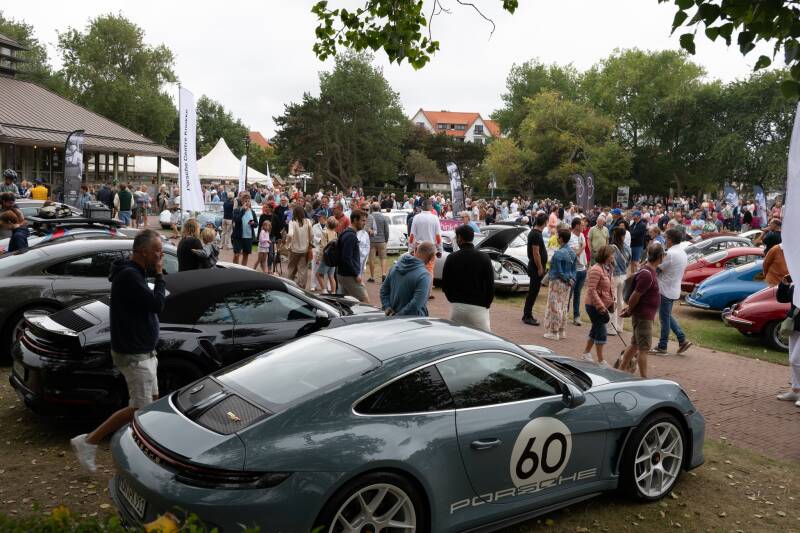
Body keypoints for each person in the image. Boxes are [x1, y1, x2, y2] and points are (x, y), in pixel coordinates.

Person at [70, 230, 165, 473]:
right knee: (140, 408)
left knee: (152, 402)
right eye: (157, 250)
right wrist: (159, 275)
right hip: (134, 354)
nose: (161, 254)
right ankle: (89, 441)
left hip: (145, 351)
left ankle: (146, 451)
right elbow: (157, 304)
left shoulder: (135, 273)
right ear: (143, 252)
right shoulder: (130, 275)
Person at [618, 243, 665, 378]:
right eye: (664, 255)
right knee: (644, 349)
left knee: (634, 345)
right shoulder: (647, 274)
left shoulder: (648, 270)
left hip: (643, 315)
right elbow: (635, 296)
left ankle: (621, 370)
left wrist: (630, 310)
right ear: (660, 256)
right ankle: (644, 378)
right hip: (643, 316)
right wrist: (629, 311)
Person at [441, 224, 494, 331]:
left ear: (460, 238)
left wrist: (453, 300)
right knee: (482, 338)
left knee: (458, 337)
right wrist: (486, 304)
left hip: (458, 307)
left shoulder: (452, 257)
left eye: (456, 237)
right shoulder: (484, 257)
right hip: (479, 307)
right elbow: (490, 285)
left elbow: (445, 284)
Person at [651, 228, 692, 355]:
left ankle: (662, 346)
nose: (664, 240)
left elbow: (656, 268)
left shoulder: (670, 254)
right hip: (673, 289)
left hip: (665, 289)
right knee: (667, 315)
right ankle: (682, 339)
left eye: (666, 238)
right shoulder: (682, 252)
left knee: (664, 319)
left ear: (670, 240)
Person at [380, 241, 436, 317]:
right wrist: (398, 316)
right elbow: (416, 304)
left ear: (415, 250)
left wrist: (387, 307)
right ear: (432, 257)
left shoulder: (394, 267)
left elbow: (383, 290)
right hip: (414, 320)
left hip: (392, 317)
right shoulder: (424, 276)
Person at [582, 245, 616, 366]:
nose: (613, 256)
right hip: (594, 306)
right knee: (601, 331)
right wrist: (601, 306)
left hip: (603, 306)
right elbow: (592, 290)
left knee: (596, 329)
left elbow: (610, 287)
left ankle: (586, 353)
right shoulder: (596, 269)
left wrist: (612, 301)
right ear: (605, 255)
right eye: (612, 254)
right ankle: (601, 360)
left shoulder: (608, 268)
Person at [543, 228, 577, 341]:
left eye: (558, 237)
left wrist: (566, 278)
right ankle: (562, 330)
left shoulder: (558, 253)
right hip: (568, 283)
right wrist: (571, 279)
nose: (557, 238)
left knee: (554, 306)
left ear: (561, 239)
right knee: (563, 305)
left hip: (557, 282)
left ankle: (554, 332)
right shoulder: (572, 252)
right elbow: (574, 269)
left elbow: (558, 271)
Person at [408, 199, 443, 298]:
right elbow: (438, 235)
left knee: (417, 268)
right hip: (431, 246)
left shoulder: (416, 217)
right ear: (431, 207)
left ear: (421, 207)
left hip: (419, 247)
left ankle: (417, 291)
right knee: (429, 270)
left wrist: (411, 248)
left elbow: (412, 234)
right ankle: (428, 292)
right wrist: (439, 249)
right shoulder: (435, 218)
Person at [775, 275, 800, 407]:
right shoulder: (797, 282)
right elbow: (782, 298)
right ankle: (796, 390)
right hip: (794, 326)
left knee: (796, 360)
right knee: (792, 359)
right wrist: (784, 283)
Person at [336, 209, 369, 302]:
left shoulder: (346, 233)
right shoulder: (350, 236)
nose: (364, 223)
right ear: (355, 220)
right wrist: (356, 275)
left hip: (343, 274)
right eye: (362, 220)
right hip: (349, 276)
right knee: (365, 301)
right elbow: (346, 258)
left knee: (346, 303)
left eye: (365, 221)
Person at [522, 213, 548, 326]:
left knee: (534, 291)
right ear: (545, 222)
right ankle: (527, 315)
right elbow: (536, 253)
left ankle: (528, 314)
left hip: (535, 266)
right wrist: (540, 268)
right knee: (533, 292)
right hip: (535, 268)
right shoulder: (536, 234)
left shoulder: (536, 233)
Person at [609, 225, 631, 335]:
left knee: (613, 301)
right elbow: (629, 261)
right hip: (624, 276)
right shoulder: (627, 247)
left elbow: (609, 262)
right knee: (621, 301)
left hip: (614, 276)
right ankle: (619, 327)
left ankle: (612, 328)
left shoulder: (611, 248)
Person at [286, 204, 313, 288]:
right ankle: (302, 287)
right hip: (304, 249)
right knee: (303, 270)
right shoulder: (308, 221)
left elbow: (290, 234)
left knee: (291, 268)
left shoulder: (292, 222)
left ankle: (290, 286)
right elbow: (312, 234)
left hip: (294, 249)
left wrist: (288, 244)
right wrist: (309, 242)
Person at [569, 217, 588, 326]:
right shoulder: (571, 237)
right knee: (569, 294)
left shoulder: (581, 235)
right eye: (582, 225)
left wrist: (582, 247)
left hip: (582, 269)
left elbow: (581, 249)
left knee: (577, 294)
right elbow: (575, 253)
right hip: (574, 270)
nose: (584, 227)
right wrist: (582, 247)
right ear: (576, 226)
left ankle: (576, 317)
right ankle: (564, 314)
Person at [366, 203, 390, 283]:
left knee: (372, 259)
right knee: (383, 258)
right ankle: (383, 274)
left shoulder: (369, 217)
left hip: (371, 240)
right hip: (381, 240)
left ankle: (372, 276)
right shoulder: (383, 217)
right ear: (379, 208)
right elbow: (386, 230)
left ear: (371, 208)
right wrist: (386, 239)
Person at [232, 196, 257, 265]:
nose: (247, 203)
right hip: (238, 236)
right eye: (245, 201)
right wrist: (243, 211)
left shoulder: (252, 212)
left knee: (245, 255)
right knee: (236, 254)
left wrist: (253, 223)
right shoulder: (237, 210)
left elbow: (256, 224)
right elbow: (236, 220)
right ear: (242, 202)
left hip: (248, 237)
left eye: (248, 201)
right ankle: (234, 269)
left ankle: (243, 269)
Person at [316, 217, 338, 294]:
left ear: (327, 224)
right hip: (333, 258)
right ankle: (333, 292)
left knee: (318, 274)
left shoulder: (325, 232)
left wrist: (318, 258)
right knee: (331, 276)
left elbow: (323, 246)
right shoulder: (335, 233)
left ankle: (324, 290)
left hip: (326, 257)